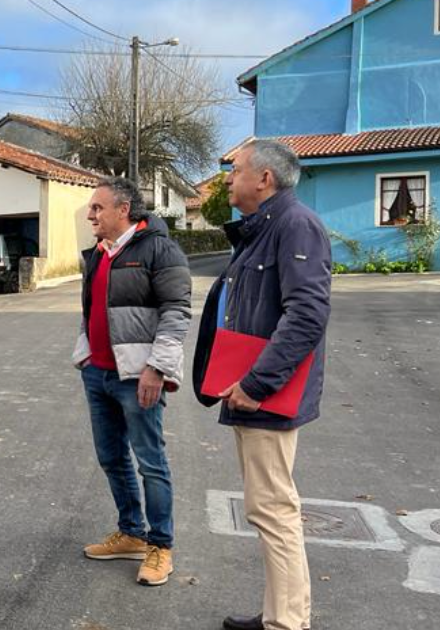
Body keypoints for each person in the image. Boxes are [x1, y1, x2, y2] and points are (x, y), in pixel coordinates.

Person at [191, 139, 330, 630]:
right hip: (253, 392)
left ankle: (287, 623)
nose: (228, 179)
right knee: (266, 508)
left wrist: (255, 383)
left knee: (274, 511)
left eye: (235, 170)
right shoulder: (264, 230)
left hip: (266, 396)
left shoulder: (295, 225)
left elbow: (307, 316)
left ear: (264, 179)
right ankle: (279, 613)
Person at [72, 175, 191, 587]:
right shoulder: (99, 253)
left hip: (138, 377)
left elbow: (177, 310)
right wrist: (85, 353)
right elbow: (91, 310)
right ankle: (131, 532)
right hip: (99, 372)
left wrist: (158, 367)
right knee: (111, 457)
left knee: (151, 462)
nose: (91, 214)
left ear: (123, 210)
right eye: (91, 208)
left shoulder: (160, 249)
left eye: (98, 208)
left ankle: (161, 545)